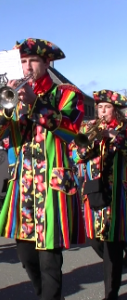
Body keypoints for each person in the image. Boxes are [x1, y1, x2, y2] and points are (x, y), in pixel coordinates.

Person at [0, 38, 85, 300]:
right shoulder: (13, 94)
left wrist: (35, 105)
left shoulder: (67, 93)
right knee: (27, 258)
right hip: (24, 187)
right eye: (23, 61)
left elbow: (71, 131)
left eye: (33, 61)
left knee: (50, 260)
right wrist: (6, 106)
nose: (27, 67)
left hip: (52, 187)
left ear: (47, 63)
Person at [70, 89, 127, 300]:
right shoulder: (88, 127)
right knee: (94, 240)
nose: (102, 111)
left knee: (112, 243)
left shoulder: (124, 129)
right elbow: (77, 156)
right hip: (94, 192)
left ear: (116, 111)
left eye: (107, 107)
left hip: (119, 194)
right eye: (100, 107)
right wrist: (92, 141)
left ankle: (110, 293)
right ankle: (117, 265)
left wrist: (113, 137)